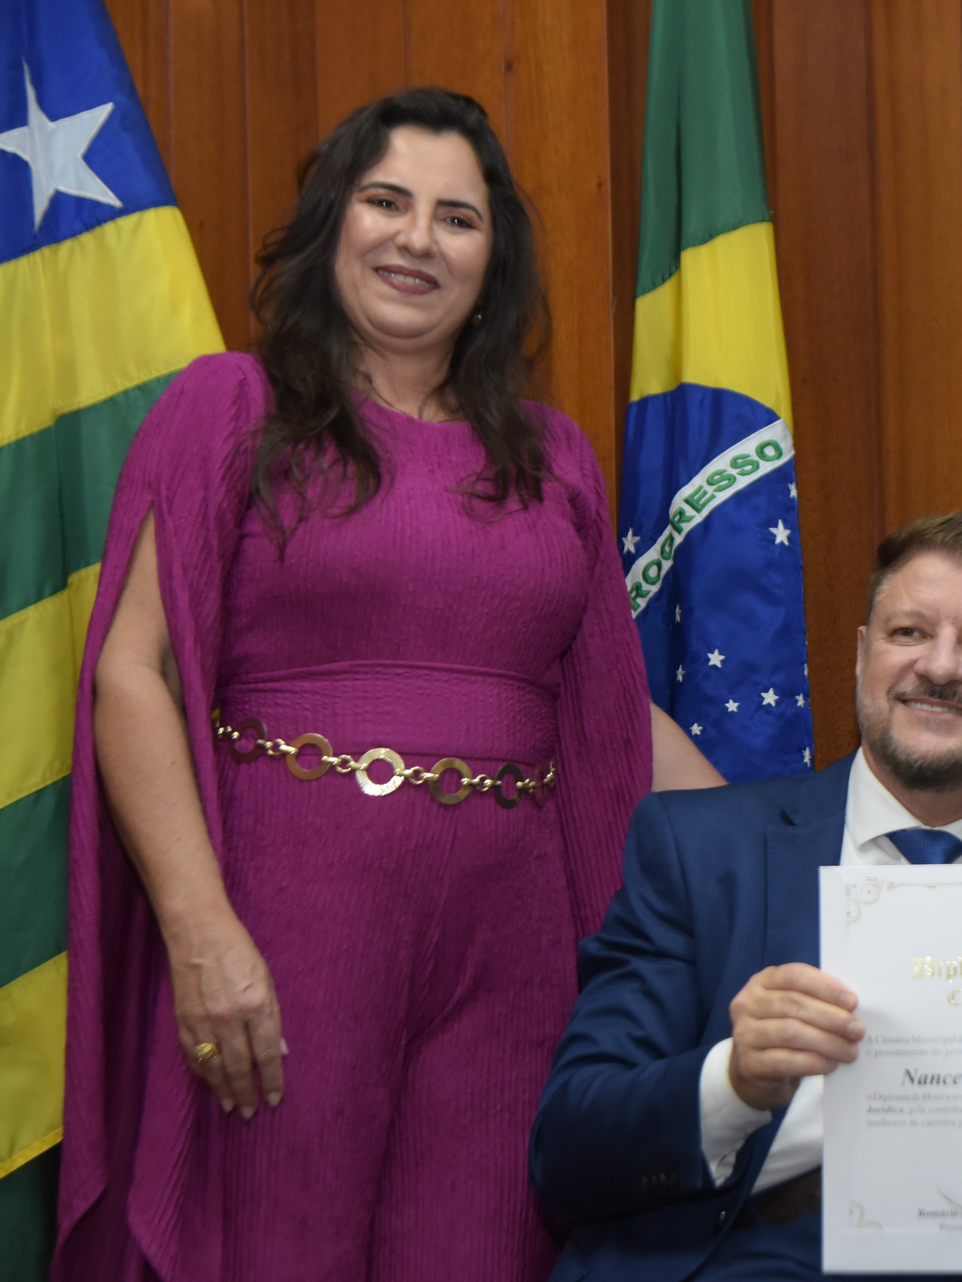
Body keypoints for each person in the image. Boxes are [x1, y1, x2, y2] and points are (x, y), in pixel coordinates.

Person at [57, 88, 720, 1282]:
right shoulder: (229, 404)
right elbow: (132, 672)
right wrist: (198, 928)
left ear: (494, 262)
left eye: (457, 217)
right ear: (334, 224)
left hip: (514, 952)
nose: (418, 238)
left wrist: (792, 859)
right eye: (386, 201)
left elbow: (613, 722)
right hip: (283, 924)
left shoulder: (555, 456)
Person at [530, 513, 962, 1282]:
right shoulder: (699, 851)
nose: (940, 666)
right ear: (863, 656)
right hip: (741, 1257)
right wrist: (735, 1081)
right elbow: (568, 1152)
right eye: (908, 632)